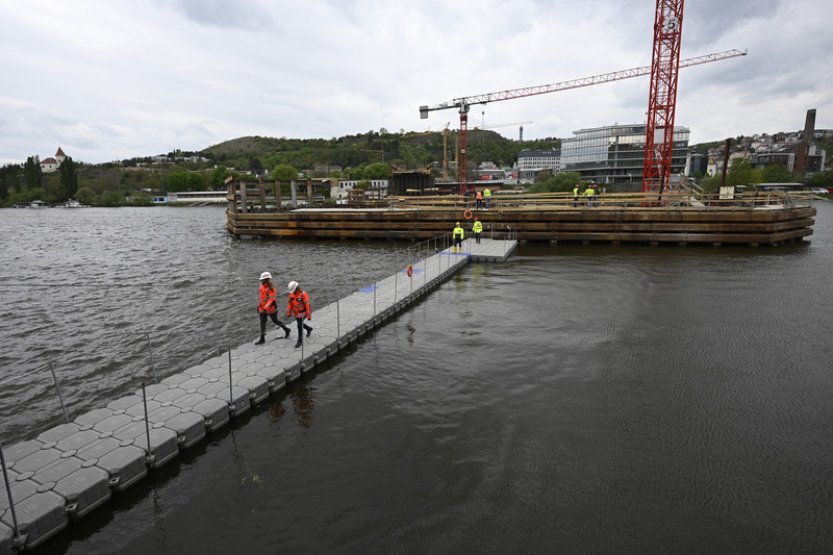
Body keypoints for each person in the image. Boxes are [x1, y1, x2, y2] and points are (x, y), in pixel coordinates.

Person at [255, 272, 290, 345]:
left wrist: (265, 308)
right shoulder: (261, 286)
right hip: (262, 307)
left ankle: (286, 329)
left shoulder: (271, 288)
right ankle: (262, 338)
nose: (261, 280)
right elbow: (261, 297)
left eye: (262, 279)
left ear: (266, 279)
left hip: (270, 308)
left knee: (275, 321)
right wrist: (258, 306)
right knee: (262, 322)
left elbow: (271, 299)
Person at [286, 280, 313, 349]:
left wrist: (308, 315)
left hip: (303, 312)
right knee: (300, 324)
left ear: (297, 288)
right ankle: (309, 329)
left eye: (294, 290)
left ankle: (300, 340)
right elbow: (290, 304)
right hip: (296, 312)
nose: (293, 292)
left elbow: (307, 305)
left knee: (299, 325)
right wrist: (289, 312)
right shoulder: (291, 295)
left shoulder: (303, 294)